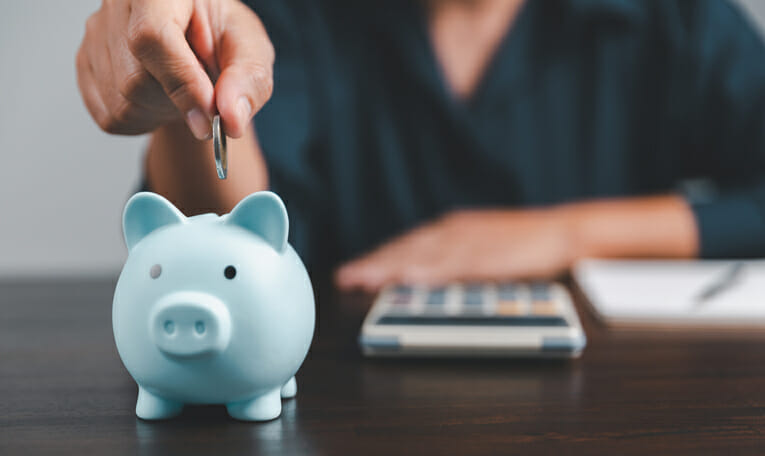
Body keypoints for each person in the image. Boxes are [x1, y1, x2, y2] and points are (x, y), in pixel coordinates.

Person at [77, 0, 765, 291]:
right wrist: (184, 79)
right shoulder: (294, 16)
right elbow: (234, 239)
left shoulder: (673, 19)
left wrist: (569, 235)